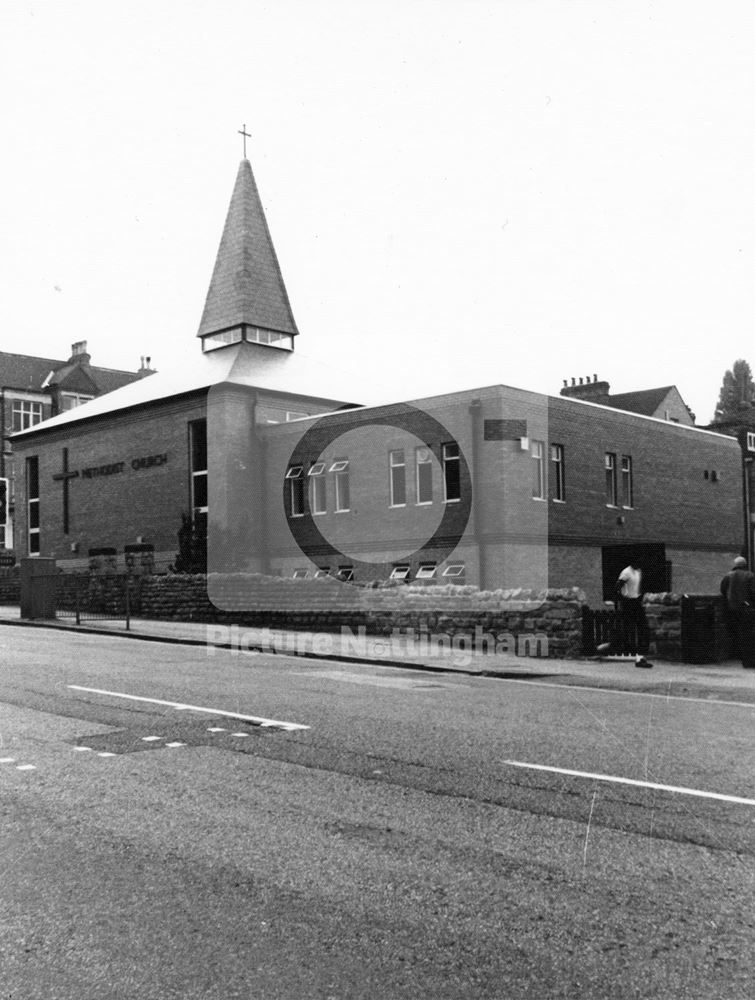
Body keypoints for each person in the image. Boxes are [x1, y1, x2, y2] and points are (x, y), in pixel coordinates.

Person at [720, 556, 755, 668]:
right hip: (746, 608)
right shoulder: (750, 575)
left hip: (731, 608)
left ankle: (734, 655)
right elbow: (753, 591)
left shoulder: (728, 575)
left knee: (733, 632)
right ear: (745, 565)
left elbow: (723, 590)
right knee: (746, 633)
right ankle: (747, 659)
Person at [616, 562, 653, 668]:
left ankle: (640, 658)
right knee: (628, 631)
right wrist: (623, 598)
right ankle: (607, 647)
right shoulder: (626, 572)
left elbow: (637, 586)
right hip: (628, 603)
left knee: (643, 629)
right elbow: (618, 586)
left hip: (636, 601)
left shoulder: (638, 572)